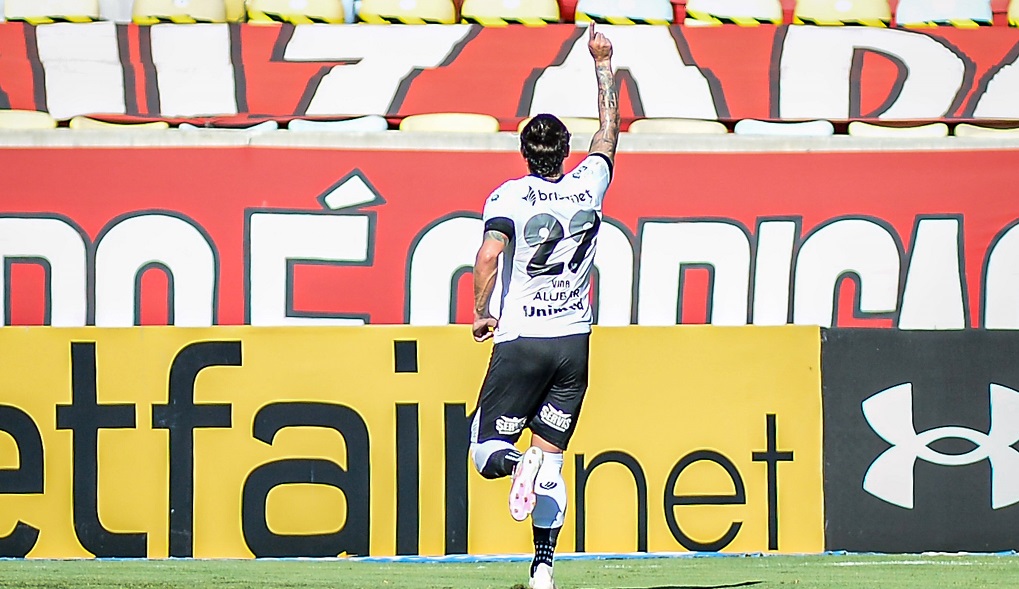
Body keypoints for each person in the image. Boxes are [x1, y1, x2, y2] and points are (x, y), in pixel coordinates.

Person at [467, 22, 619, 589]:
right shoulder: (590, 184)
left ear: (524, 152)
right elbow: (609, 130)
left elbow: (488, 256)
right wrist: (602, 64)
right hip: (573, 345)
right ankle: (543, 570)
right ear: (565, 152)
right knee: (552, 462)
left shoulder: (508, 196)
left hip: (523, 340)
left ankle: (516, 465)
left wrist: (481, 310)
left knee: (486, 452)